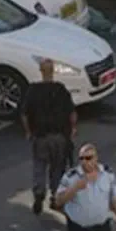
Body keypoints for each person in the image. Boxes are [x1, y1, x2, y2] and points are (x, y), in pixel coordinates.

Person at [20, 58, 77, 214]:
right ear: (53, 71)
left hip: (40, 136)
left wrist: (28, 132)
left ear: (41, 71)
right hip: (59, 137)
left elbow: (24, 115)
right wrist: (72, 130)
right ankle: (55, 197)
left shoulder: (33, 91)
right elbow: (72, 113)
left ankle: (39, 193)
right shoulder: (60, 89)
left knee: (39, 165)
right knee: (57, 168)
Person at [55, 144, 116, 231]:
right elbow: (58, 201)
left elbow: (114, 197)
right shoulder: (71, 176)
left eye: (88, 158)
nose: (84, 162)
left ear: (96, 158)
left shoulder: (107, 174)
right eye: (81, 158)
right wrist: (75, 188)